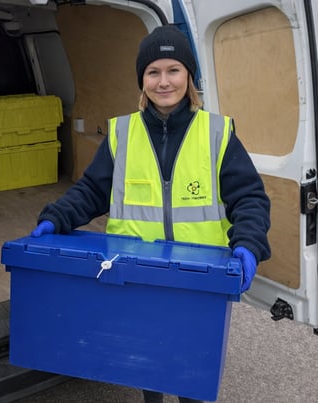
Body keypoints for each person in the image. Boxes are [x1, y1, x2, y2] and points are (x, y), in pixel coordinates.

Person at [31, 25, 271, 403]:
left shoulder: (217, 133)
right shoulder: (121, 133)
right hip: (137, 272)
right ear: (141, 80)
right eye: (153, 72)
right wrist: (56, 217)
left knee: (193, 368)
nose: (164, 82)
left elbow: (250, 198)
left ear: (188, 75)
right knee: (146, 358)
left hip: (198, 276)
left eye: (173, 70)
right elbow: (93, 189)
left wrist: (248, 244)